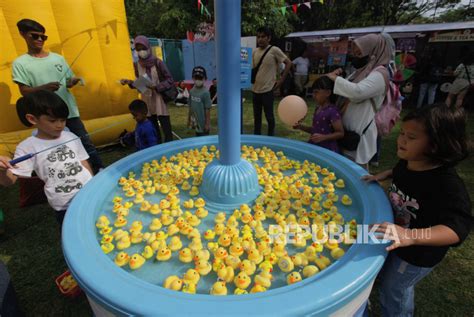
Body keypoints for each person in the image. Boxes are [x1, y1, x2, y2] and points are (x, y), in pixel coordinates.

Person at [362, 105, 471, 316]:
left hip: (417, 253)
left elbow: (457, 229)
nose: (401, 140)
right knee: (386, 275)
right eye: (402, 133)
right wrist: (385, 174)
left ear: (436, 145)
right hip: (398, 238)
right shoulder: (409, 162)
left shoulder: (446, 184)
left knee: (395, 288)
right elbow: (400, 171)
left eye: (411, 137)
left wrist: (412, 236)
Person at [11, 19, 104, 173]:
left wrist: (72, 81)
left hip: (69, 112)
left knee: (85, 143)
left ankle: (99, 170)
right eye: (35, 36)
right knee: (55, 150)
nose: (40, 40)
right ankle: (65, 177)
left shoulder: (58, 58)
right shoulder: (20, 63)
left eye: (43, 37)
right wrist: (44, 88)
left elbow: (67, 82)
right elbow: (24, 91)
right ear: (23, 35)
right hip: (46, 116)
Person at [0, 90, 93, 227]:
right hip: (64, 205)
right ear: (32, 119)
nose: (60, 125)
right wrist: (2, 170)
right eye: (53, 120)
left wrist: (93, 182)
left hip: (89, 194)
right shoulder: (27, 147)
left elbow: (83, 161)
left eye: (63, 120)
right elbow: (10, 181)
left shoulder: (70, 136)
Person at [327, 33, 392, 169]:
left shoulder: (380, 74)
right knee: (342, 167)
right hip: (347, 130)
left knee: (356, 169)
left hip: (360, 132)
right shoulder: (360, 72)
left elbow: (358, 92)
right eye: (354, 53)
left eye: (359, 53)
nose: (355, 56)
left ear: (372, 52)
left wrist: (335, 79)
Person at [120, 35, 174, 143]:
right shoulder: (137, 65)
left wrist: (157, 86)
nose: (141, 51)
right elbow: (140, 83)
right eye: (138, 49)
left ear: (148, 47)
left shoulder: (158, 62)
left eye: (143, 48)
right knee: (153, 127)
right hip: (147, 100)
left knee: (166, 127)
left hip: (159, 98)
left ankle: (170, 147)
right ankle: (156, 147)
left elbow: (170, 80)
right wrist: (130, 83)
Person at [252, 26, 292, 136]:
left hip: (268, 90)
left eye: (263, 37)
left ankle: (270, 138)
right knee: (257, 118)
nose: (260, 39)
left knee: (269, 117)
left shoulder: (274, 50)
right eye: (258, 37)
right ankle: (256, 138)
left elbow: (288, 63)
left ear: (269, 38)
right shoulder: (254, 52)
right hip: (255, 90)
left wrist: (281, 80)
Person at [293, 76, 343, 153]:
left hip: (327, 150)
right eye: (313, 92)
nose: (313, 95)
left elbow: (340, 133)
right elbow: (315, 130)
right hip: (315, 146)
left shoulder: (332, 111)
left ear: (328, 93)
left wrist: (324, 137)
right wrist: (300, 127)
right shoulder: (318, 108)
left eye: (316, 92)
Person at [188, 66, 211, 136]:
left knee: (204, 142)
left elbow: (207, 109)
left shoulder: (206, 93)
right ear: (193, 78)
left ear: (205, 79)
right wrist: (190, 119)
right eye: (196, 78)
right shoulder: (191, 91)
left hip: (203, 124)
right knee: (197, 138)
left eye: (200, 78)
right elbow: (191, 106)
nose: (198, 80)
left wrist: (207, 124)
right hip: (195, 122)